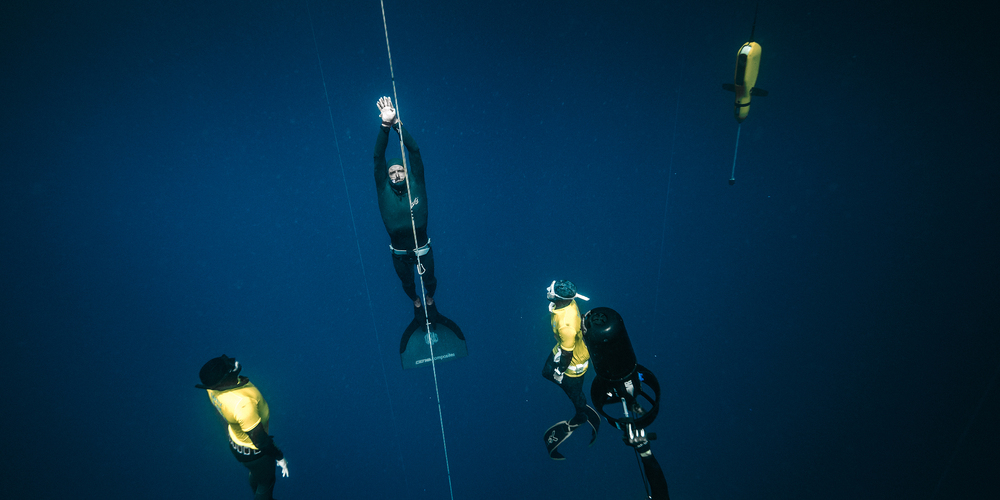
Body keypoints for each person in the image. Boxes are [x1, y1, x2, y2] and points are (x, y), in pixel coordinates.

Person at [373, 96, 437, 312]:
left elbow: (415, 151)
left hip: (423, 250)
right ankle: (416, 303)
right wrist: (384, 126)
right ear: (387, 176)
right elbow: (378, 157)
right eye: (392, 172)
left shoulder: (417, 183)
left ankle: (429, 299)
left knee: (431, 282)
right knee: (408, 284)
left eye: (401, 170)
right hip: (399, 253)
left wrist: (397, 124)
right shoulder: (383, 189)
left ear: (406, 173)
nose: (397, 174)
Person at [195, 355, 288, 500]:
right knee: (266, 482)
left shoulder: (211, 389)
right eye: (228, 366)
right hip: (256, 453)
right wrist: (280, 457)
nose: (232, 361)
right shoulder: (243, 404)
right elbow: (261, 442)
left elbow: (225, 413)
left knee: (257, 474)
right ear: (223, 380)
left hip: (236, 444)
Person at [541, 280, 600, 459]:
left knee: (573, 390)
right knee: (545, 372)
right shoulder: (569, 302)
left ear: (560, 298)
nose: (548, 289)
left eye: (553, 290)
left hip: (572, 366)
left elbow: (567, 354)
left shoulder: (566, 326)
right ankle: (578, 400)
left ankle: (581, 413)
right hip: (563, 350)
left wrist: (560, 372)